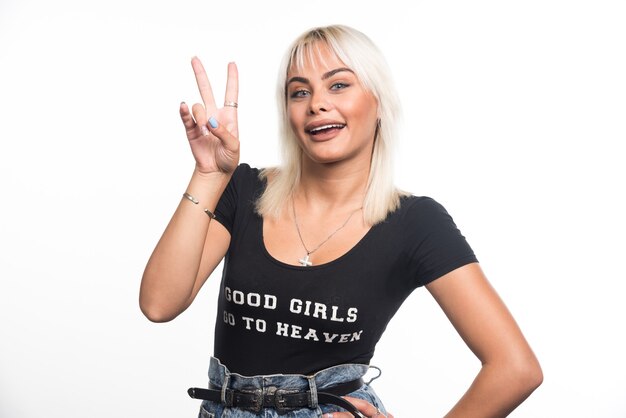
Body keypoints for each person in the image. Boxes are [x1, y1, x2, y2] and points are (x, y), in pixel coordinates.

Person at [140, 25, 542, 418]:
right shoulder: (244, 190)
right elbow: (159, 304)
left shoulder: (416, 223)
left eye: (338, 85)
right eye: (300, 92)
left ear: (378, 101)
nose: (316, 103)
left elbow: (515, 368)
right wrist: (208, 176)